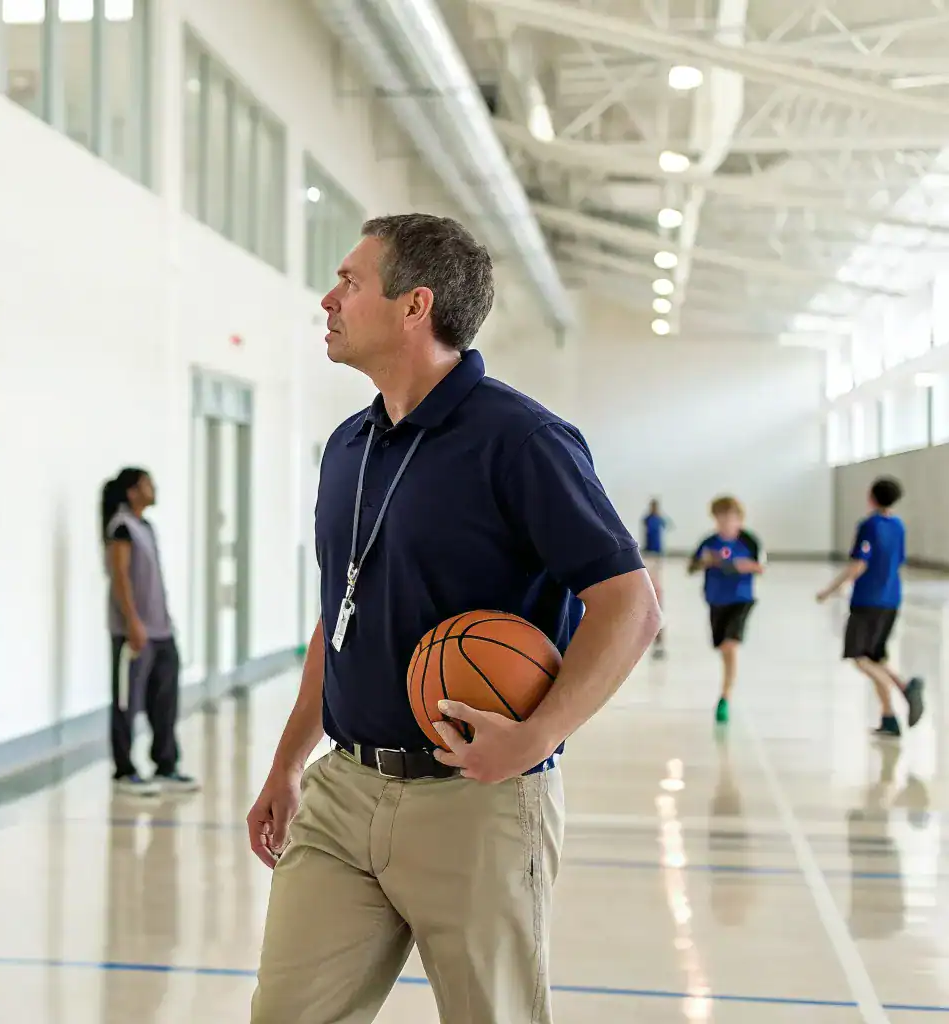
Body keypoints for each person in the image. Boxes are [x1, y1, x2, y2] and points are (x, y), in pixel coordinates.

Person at [245, 214, 660, 1024]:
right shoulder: (347, 445)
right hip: (342, 794)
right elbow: (341, 615)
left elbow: (631, 603)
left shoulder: (523, 439)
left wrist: (534, 738)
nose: (327, 300)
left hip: (477, 800)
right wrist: (289, 760)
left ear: (414, 306)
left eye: (350, 282)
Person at [102, 468, 197, 796]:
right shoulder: (121, 527)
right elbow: (120, 578)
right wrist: (132, 623)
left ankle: (165, 765)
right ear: (132, 491)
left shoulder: (146, 527)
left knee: (165, 700)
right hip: (135, 632)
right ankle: (124, 770)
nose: (153, 489)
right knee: (128, 702)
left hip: (161, 630)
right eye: (147, 484)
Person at [818, 476, 924, 737]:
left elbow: (859, 564)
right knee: (877, 658)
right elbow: (897, 560)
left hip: (868, 601)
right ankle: (888, 718)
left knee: (859, 658)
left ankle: (904, 686)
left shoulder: (868, 526)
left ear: (871, 497)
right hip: (891, 599)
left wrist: (830, 590)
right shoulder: (898, 526)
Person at [687, 496, 763, 724]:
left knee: (730, 646)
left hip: (740, 600)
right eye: (721, 518)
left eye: (730, 518)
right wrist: (704, 563)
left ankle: (725, 697)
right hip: (715, 600)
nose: (725, 523)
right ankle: (727, 687)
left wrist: (730, 565)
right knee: (721, 646)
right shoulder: (709, 542)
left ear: (739, 519)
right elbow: (692, 567)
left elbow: (760, 566)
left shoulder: (749, 542)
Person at [642, 498, 670, 657]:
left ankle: (659, 641)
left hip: (657, 552)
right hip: (650, 551)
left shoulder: (659, 518)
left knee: (658, 599)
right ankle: (655, 640)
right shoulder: (649, 518)